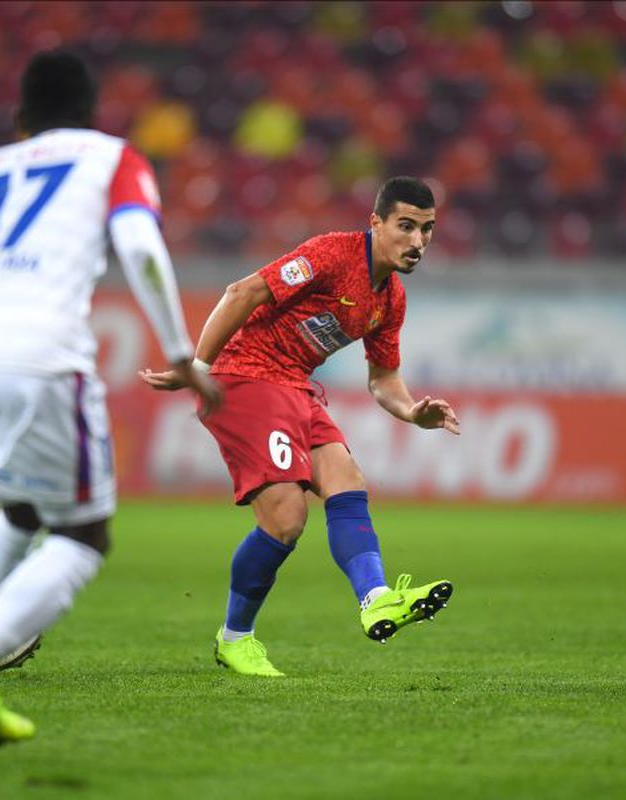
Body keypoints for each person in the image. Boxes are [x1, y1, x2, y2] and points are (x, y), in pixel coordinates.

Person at [0, 48, 219, 764]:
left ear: (18, 118)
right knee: (84, 539)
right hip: (43, 355)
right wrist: (182, 351)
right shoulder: (113, 158)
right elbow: (141, 247)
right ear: (92, 114)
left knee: (22, 515)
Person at [141, 176, 459, 677]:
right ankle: (236, 639)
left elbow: (384, 380)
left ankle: (376, 599)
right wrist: (196, 370)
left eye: (427, 229)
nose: (417, 242)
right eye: (406, 227)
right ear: (375, 223)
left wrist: (412, 412)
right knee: (286, 517)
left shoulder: (390, 299)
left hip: (294, 385)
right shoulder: (333, 253)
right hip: (243, 375)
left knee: (346, 481)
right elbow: (242, 291)